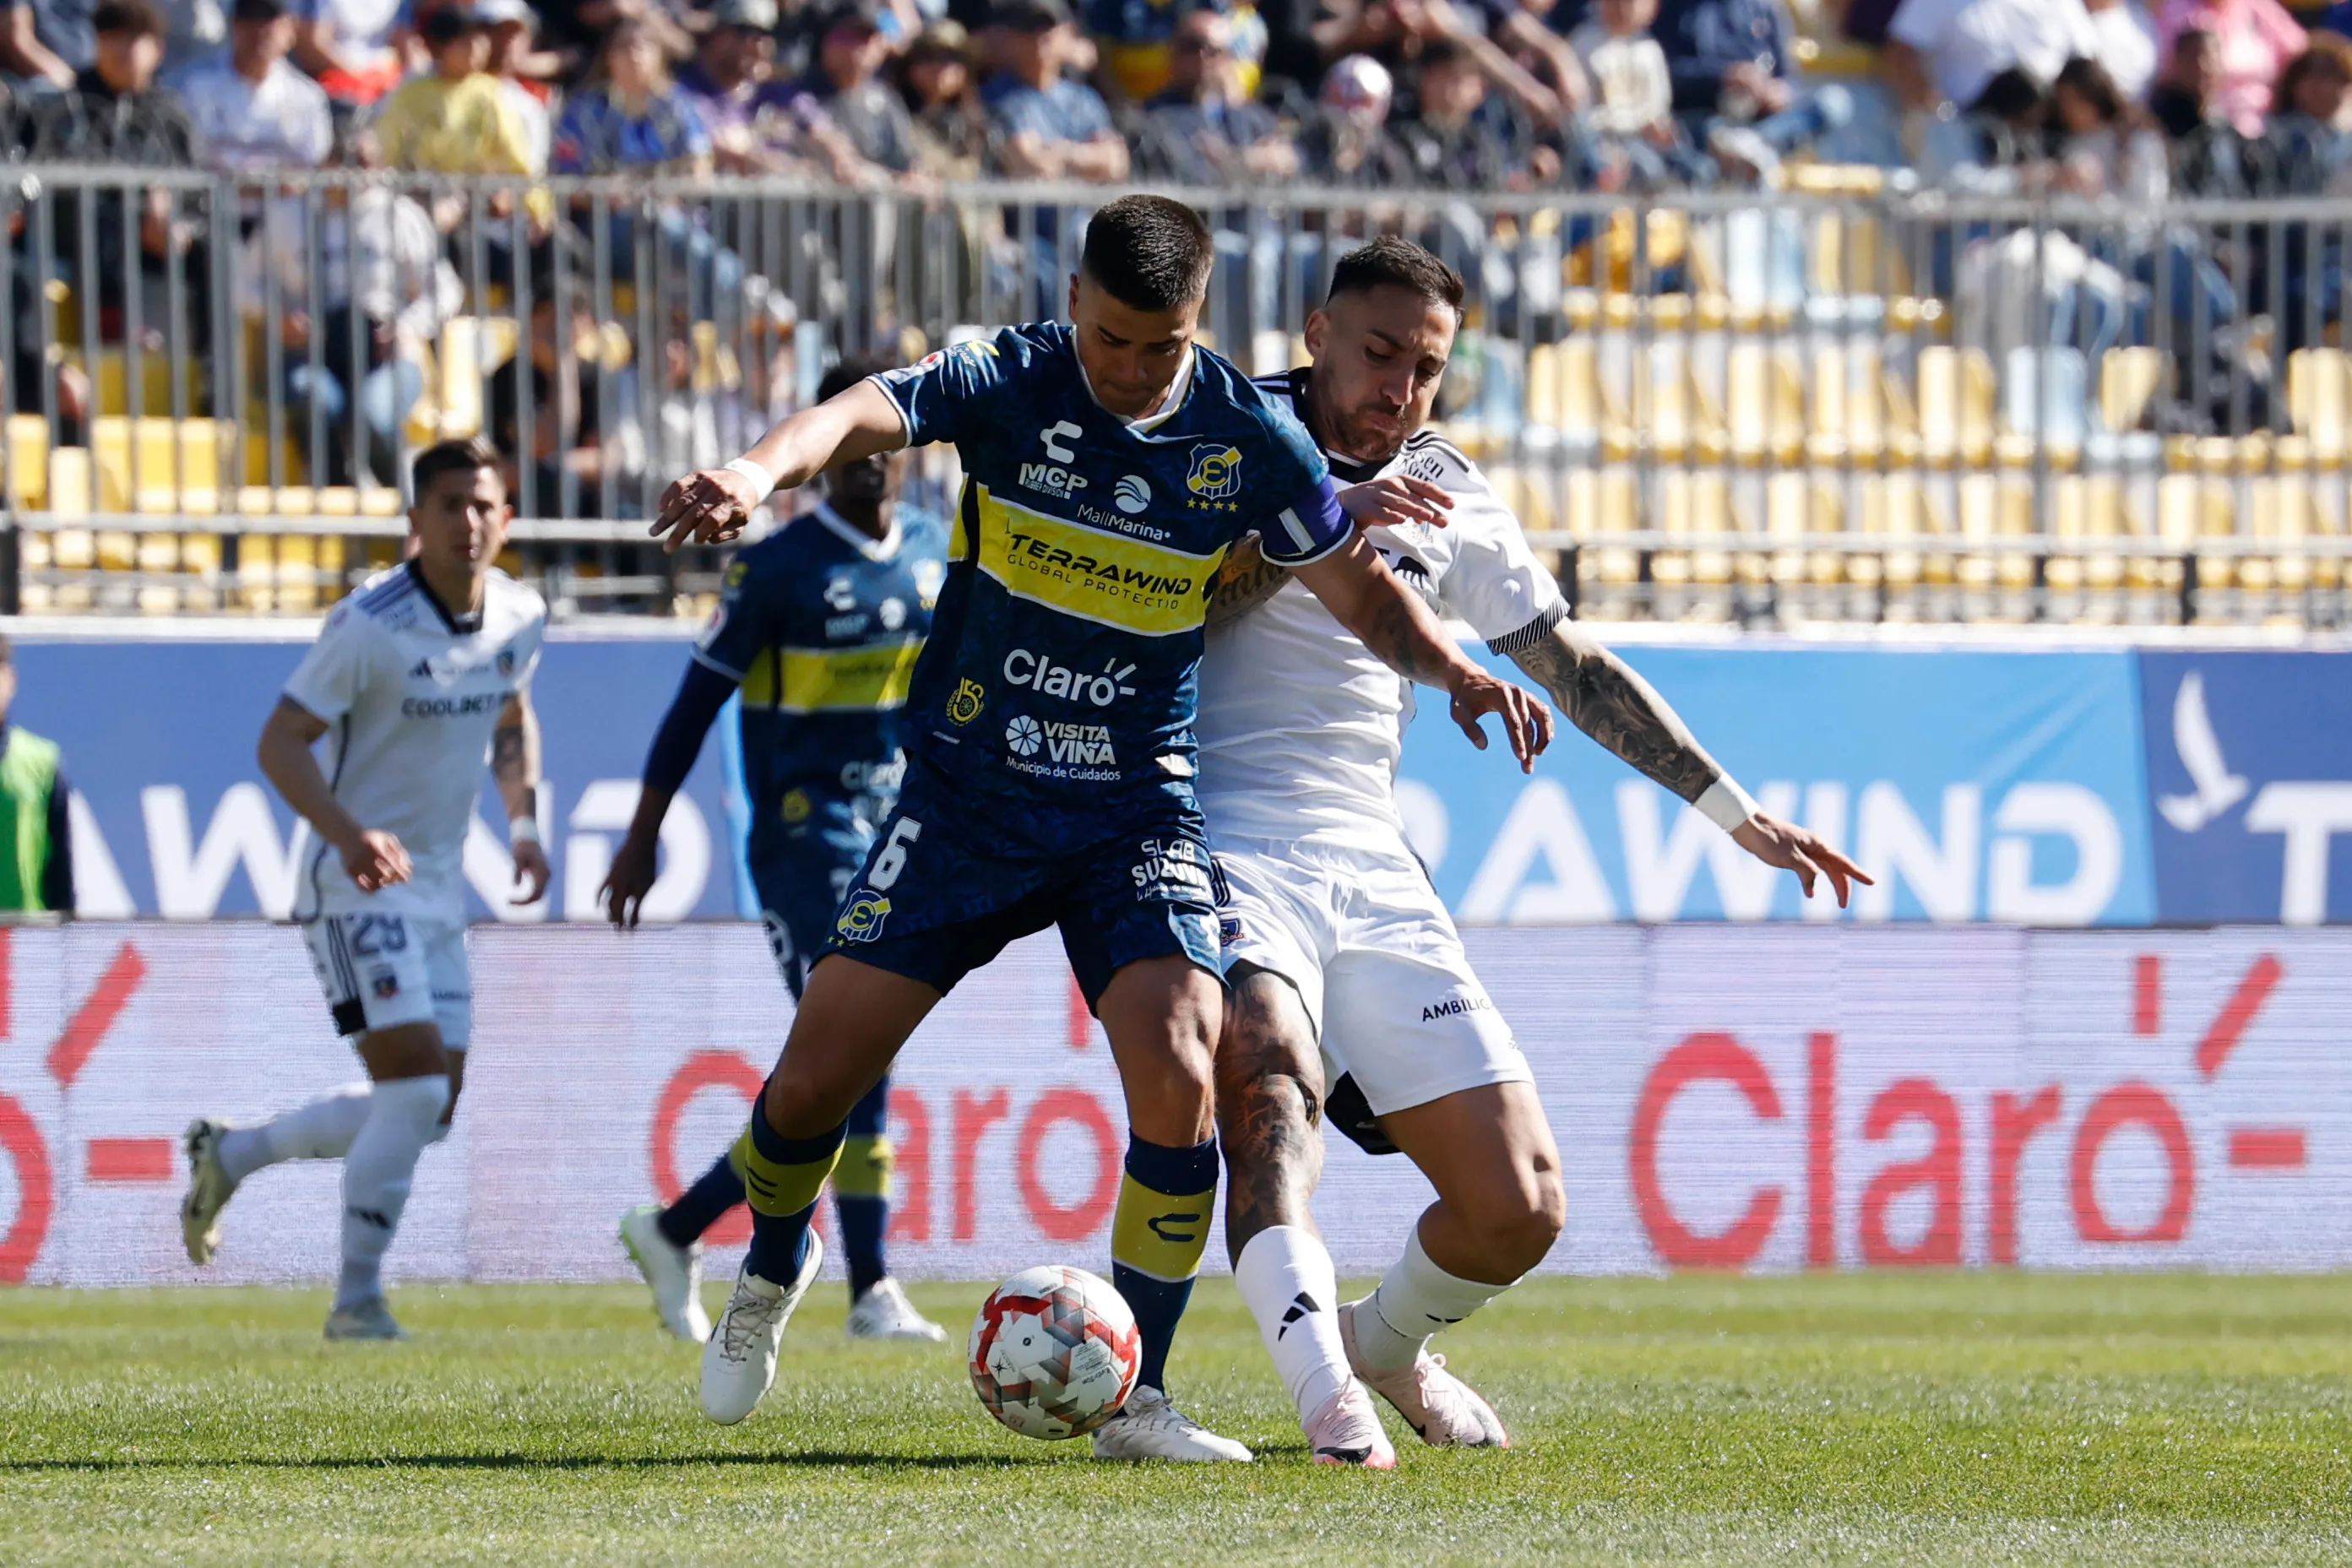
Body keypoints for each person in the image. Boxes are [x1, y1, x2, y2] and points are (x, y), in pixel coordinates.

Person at [646, 194, 1551, 1457]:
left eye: (1162, 346)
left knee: (1186, 1065)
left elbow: (1354, 584)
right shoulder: (1013, 379)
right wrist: (754, 471)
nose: (1132, 371)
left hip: (1133, 802)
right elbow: (863, 409)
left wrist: (1451, 670)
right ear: (1075, 301)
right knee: (812, 1081)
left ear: (1200, 328)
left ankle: (1138, 1395)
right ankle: (771, 1271)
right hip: (969, 797)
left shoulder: (1244, 432)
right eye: (1115, 338)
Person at [1199, 238, 1865, 1466]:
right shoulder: (1223, 432)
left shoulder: (1451, 487)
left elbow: (1574, 667)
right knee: (1266, 1097)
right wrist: (1318, 518)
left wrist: (1735, 814)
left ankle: (1383, 1345)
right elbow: (1165, 606)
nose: (1399, 386)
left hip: (1369, 853)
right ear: (1316, 333)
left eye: (1428, 367)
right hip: (1218, 827)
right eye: (1379, 351)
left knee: (1519, 1205)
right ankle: (1325, 1403)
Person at [606, 355, 952, 1348]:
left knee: (846, 1060)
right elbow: (692, 706)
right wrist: (641, 839)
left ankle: (675, 1228)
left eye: (883, 445)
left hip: (899, 836)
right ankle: (870, 1287)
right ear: (822, 445)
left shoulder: (933, 546)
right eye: (846, 444)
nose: (867, 463)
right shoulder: (778, 568)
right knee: (854, 1053)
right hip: (804, 844)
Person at [182, 438, 551, 1341]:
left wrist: (527, 827)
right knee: (417, 1089)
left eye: (484, 505)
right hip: (350, 887)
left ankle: (230, 1155)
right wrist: (349, 834)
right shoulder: (369, 624)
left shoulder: (520, 616)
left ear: (507, 518)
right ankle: (356, 1300)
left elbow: (511, 714)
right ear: (414, 521)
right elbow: (279, 742)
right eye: (450, 505)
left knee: (428, 1109)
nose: (469, 522)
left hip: (435, 892)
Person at [170, 0, 334, 173]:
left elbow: (314, 162)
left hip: (285, 200)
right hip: (214, 200)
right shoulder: (192, 86)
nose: (260, 30)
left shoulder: (306, 96)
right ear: (233, 25)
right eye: (250, 19)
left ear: (291, 28)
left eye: (270, 20)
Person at [1882, 0, 2096, 114]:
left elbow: (2087, 70)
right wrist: (1940, 117)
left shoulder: (2061, 4)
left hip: (2048, 139)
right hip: (1972, 136)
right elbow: (1901, 56)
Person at [0, 634, 76, 917]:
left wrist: (66, 940)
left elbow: (60, 868)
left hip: (26, 944)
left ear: (11, 679)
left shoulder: (42, 762)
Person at [2153, 0, 2303, 135]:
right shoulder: (2177, 10)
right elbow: (2169, 70)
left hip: (2267, 126)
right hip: (2203, 126)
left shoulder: (2257, 8)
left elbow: (2301, 53)